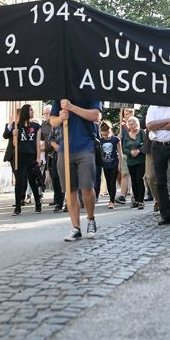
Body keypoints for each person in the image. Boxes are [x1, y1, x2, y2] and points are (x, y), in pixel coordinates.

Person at [50, 98, 103, 241]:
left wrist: (71, 107)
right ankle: (76, 227)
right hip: (65, 148)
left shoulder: (89, 91)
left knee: (87, 187)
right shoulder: (61, 96)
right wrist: (60, 118)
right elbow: (52, 121)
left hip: (86, 146)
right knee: (70, 189)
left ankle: (91, 219)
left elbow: (96, 115)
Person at [145, 105, 170, 225]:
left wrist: (157, 125)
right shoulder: (152, 108)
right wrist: (167, 120)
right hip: (157, 146)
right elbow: (149, 126)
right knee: (160, 181)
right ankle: (165, 215)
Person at [8, 104, 41, 215]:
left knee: (32, 180)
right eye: (31, 110)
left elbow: (37, 143)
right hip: (20, 156)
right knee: (19, 181)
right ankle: (17, 207)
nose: (33, 112)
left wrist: (38, 157)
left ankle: (38, 204)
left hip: (31, 156)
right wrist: (14, 135)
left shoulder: (36, 126)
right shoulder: (17, 126)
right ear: (26, 112)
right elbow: (15, 145)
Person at [40, 104, 64, 212]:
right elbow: (50, 139)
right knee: (55, 178)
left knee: (67, 178)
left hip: (69, 153)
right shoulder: (54, 126)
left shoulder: (70, 124)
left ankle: (68, 202)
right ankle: (58, 202)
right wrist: (57, 147)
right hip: (55, 154)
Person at [122, 116, 146, 209]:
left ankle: (141, 200)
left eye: (132, 124)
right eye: (129, 124)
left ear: (137, 124)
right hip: (131, 161)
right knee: (133, 180)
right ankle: (135, 199)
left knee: (139, 179)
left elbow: (145, 144)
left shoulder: (142, 133)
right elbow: (124, 148)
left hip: (141, 160)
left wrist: (138, 150)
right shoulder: (126, 135)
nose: (131, 126)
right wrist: (130, 152)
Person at [99, 121, 122, 209]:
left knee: (112, 182)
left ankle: (112, 201)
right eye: (103, 135)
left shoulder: (115, 139)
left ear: (110, 131)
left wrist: (120, 164)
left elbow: (120, 152)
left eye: (107, 134)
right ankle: (110, 198)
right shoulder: (100, 141)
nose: (105, 136)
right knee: (108, 182)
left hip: (114, 163)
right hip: (105, 165)